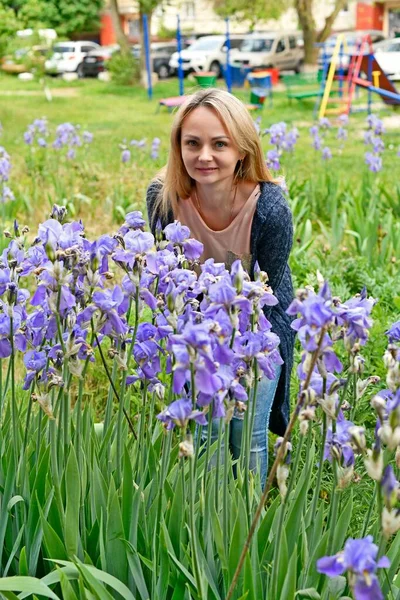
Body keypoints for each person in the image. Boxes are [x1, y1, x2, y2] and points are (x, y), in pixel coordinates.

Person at [146, 88, 294, 485]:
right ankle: (205, 519)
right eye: (192, 143)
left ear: (242, 150)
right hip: (196, 331)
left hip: (257, 332)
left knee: (247, 437)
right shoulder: (164, 198)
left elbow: (274, 294)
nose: (204, 156)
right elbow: (168, 277)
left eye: (219, 144)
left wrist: (243, 346)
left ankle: (249, 525)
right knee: (207, 434)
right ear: (178, 147)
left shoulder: (269, 207)